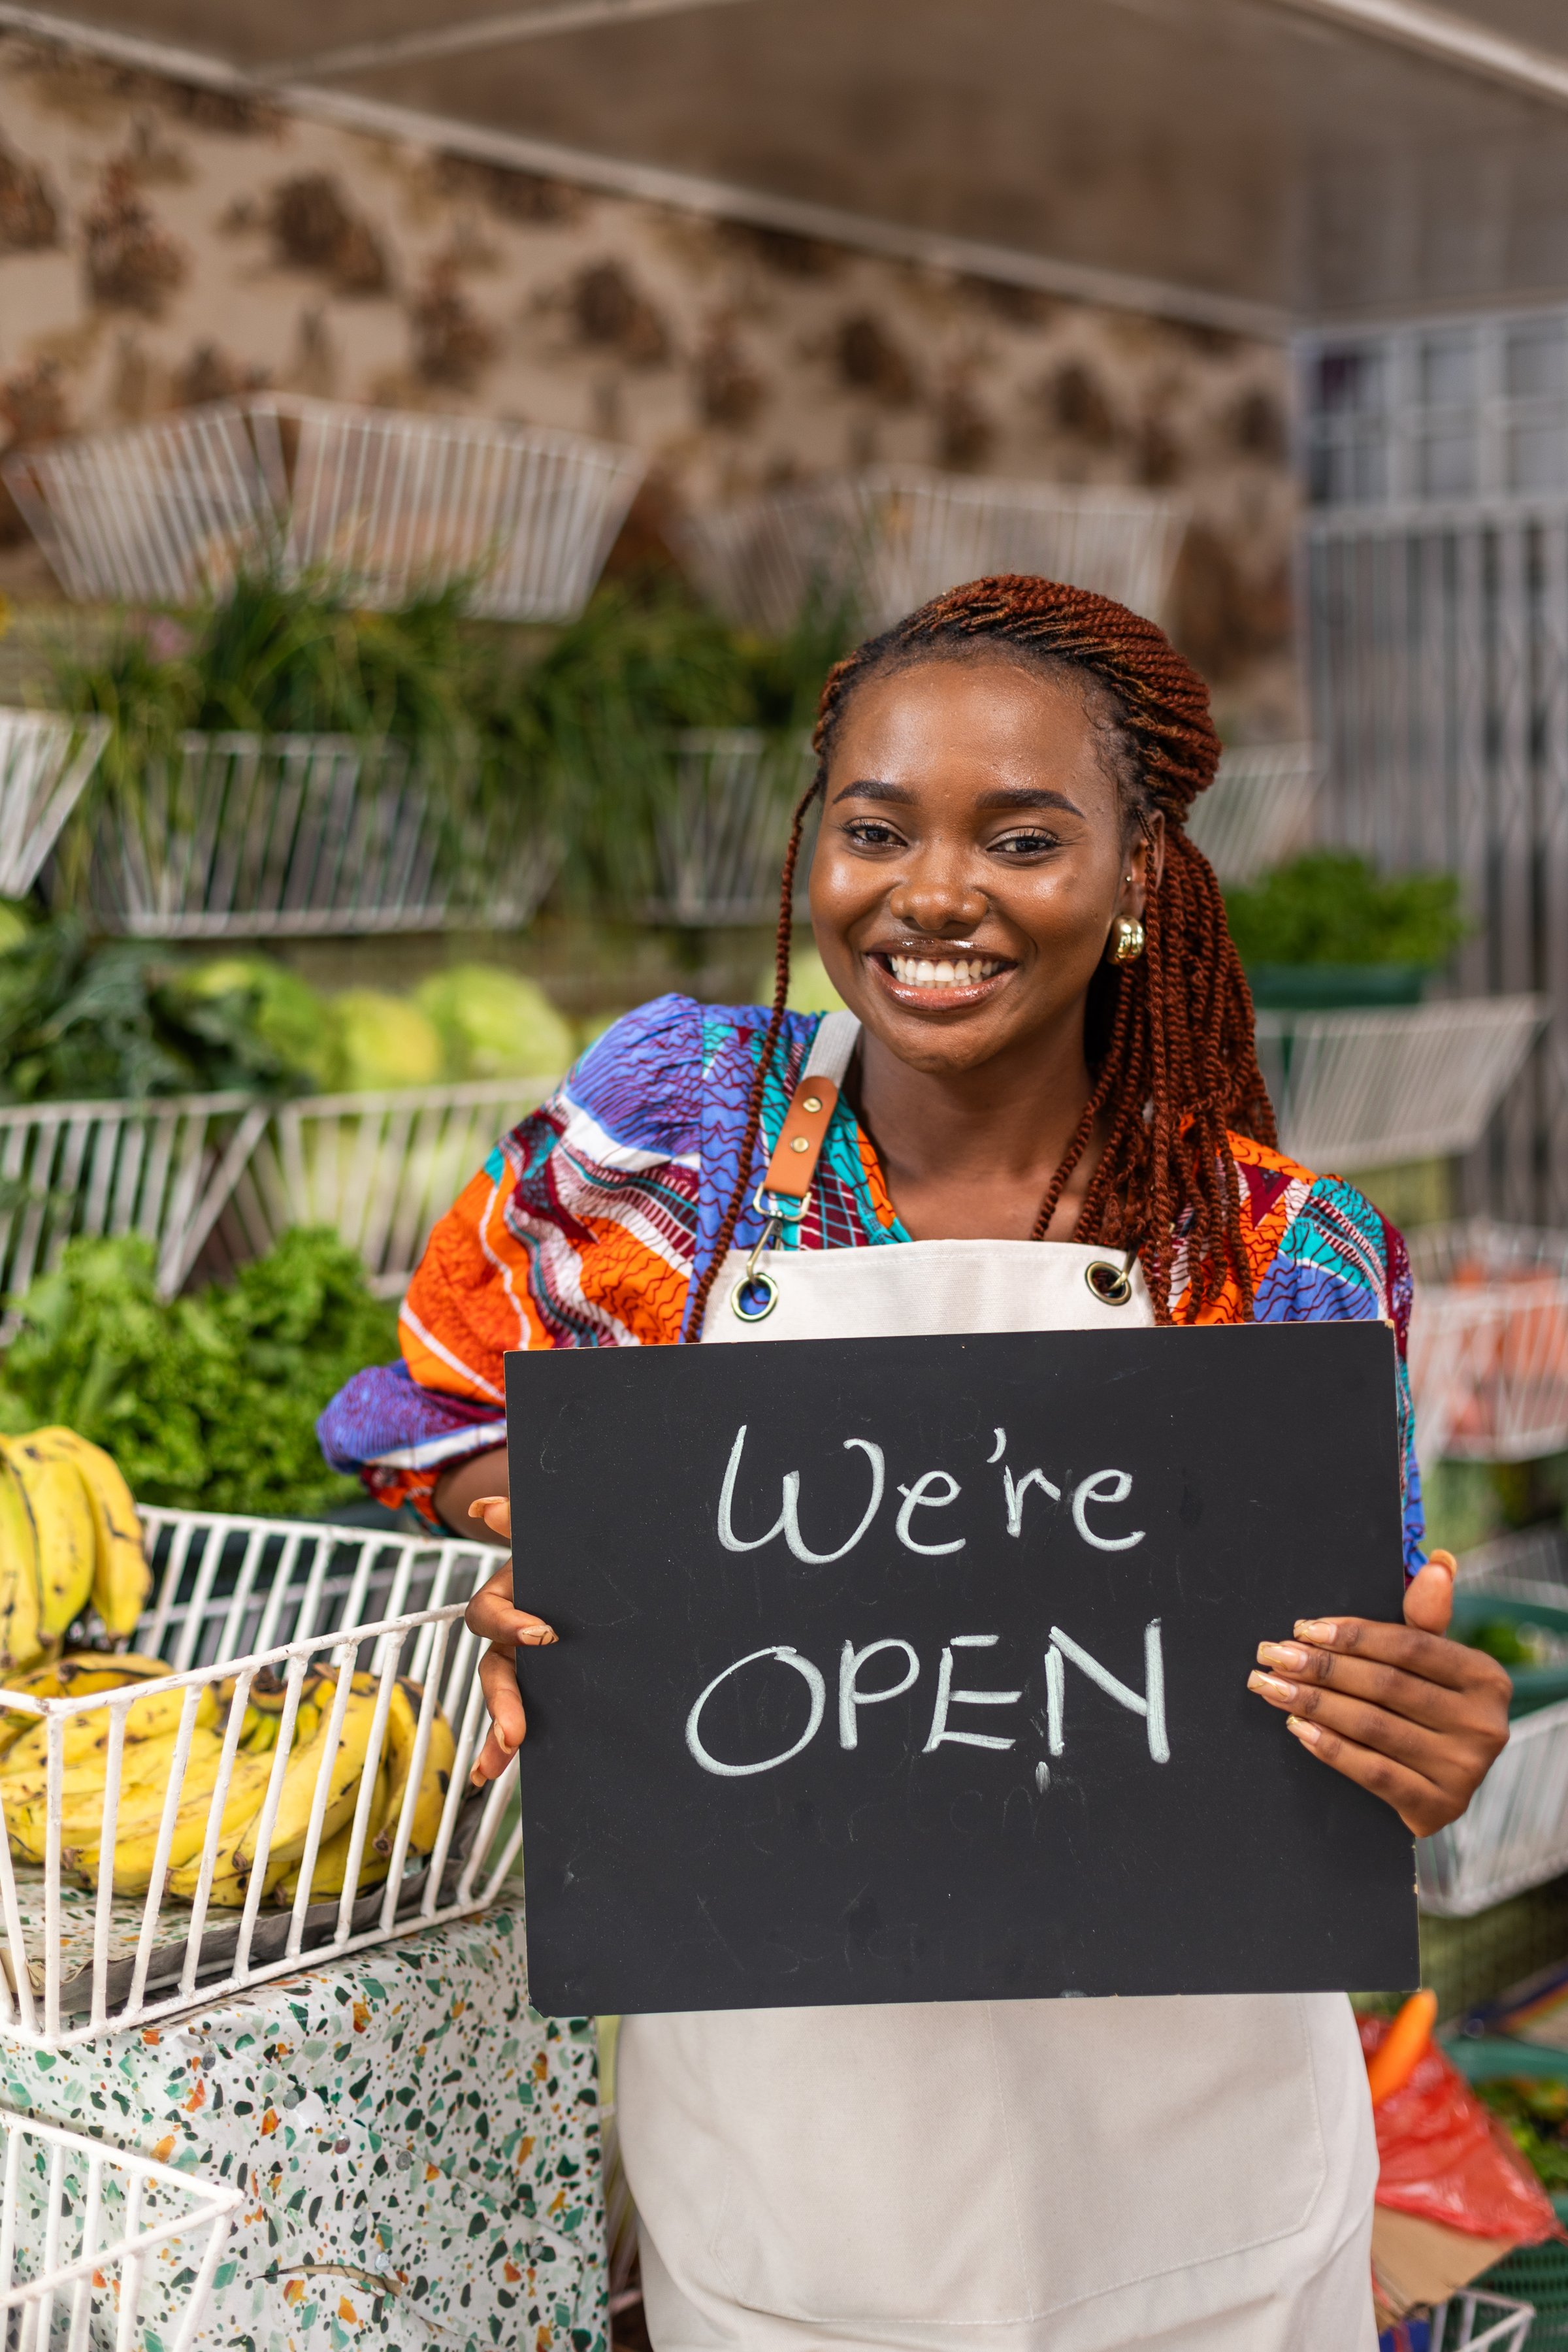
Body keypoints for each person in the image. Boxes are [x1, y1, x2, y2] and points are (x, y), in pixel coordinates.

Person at [320, 574, 1509, 2351]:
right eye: (877, 831)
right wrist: (582, 1553)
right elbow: (439, 1417)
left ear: (1139, 879)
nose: (932, 894)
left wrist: (1423, 1746)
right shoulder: (678, 1136)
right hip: (790, 2190)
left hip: (1193, 2201)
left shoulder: (1287, 1258)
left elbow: (1345, 1690)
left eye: (1023, 838)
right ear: (819, 849)